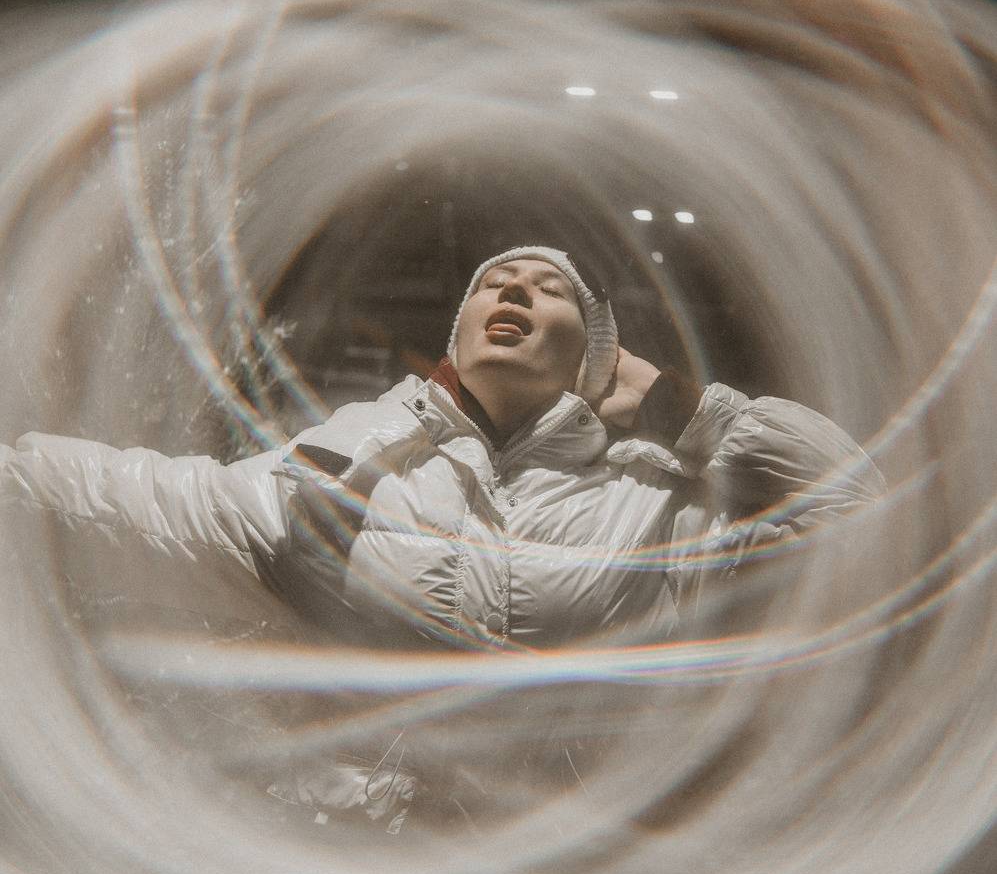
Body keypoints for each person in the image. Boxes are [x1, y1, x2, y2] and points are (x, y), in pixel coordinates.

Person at [1, 245, 885, 653]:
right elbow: (127, 498)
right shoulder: (342, 471)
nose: (514, 292)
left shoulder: (651, 506)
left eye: (549, 290)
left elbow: (858, 523)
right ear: (457, 336)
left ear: (594, 354)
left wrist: (679, 411)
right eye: (493, 284)